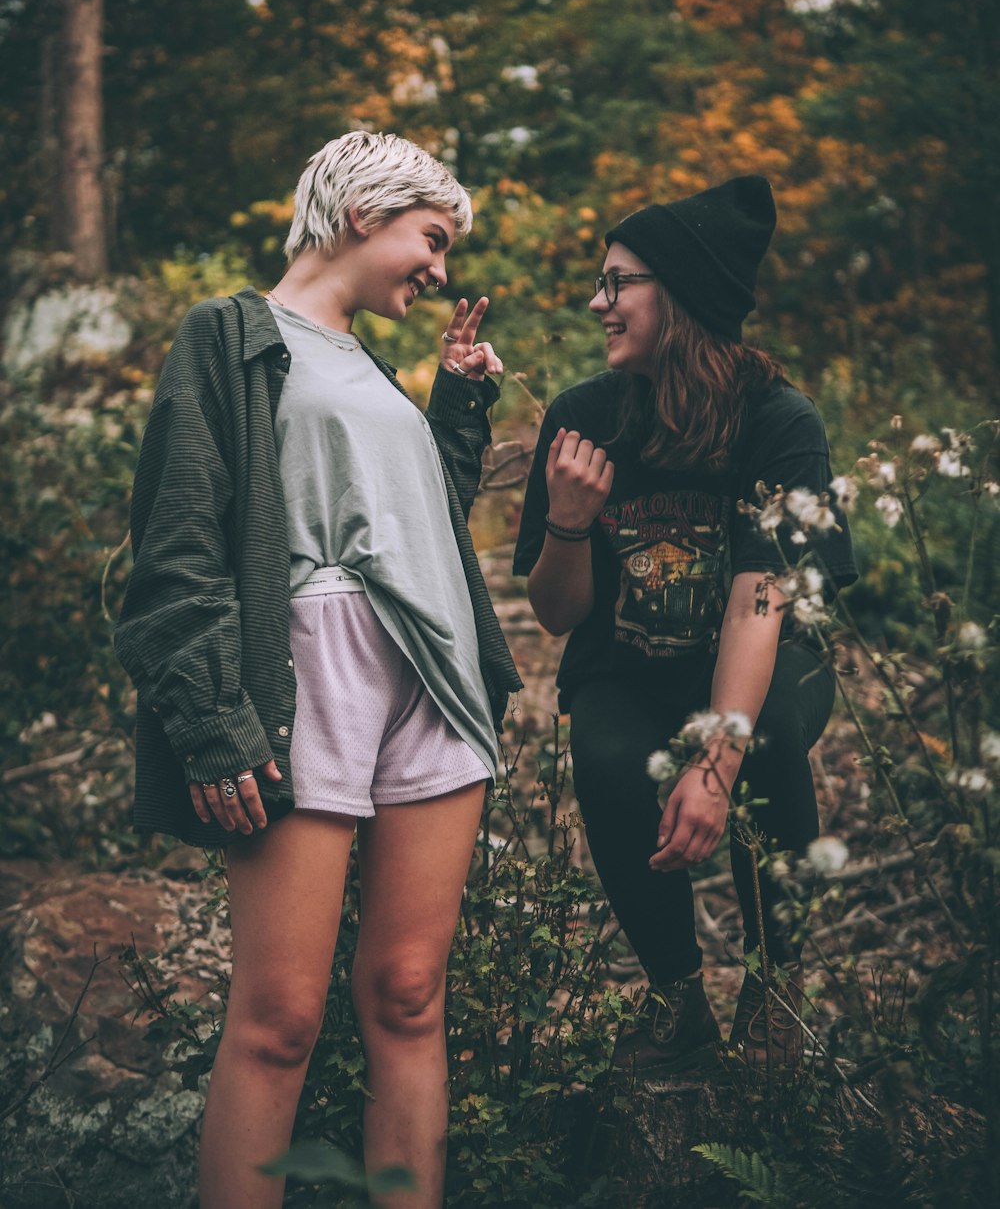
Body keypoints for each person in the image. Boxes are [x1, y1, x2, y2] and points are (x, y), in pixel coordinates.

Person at [115, 131, 522, 1209]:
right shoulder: (233, 335)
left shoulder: (377, 369)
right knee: (280, 1016)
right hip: (309, 676)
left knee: (407, 992)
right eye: (430, 241)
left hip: (434, 676)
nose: (440, 270)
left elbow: (413, 520)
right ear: (361, 215)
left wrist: (457, 407)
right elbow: (179, 544)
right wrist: (212, 722)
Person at [513, 176, 857, 1076]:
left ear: (683, 297)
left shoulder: (779, 423)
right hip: (627, 662)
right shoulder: (584, 417)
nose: (599, 302)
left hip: (768, 654)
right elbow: (556, 614)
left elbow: (760, 597)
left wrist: (713, 764)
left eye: (618, 281)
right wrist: (570, 519)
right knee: (607, 752)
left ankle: (776, 988)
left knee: (769, 731)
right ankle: (676, 994)